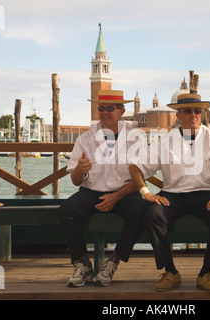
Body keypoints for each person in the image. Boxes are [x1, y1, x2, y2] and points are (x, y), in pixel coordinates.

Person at [129, 93, 210, 292]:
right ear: (178, 115)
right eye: (187, 111)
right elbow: (135, 167)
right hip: (172, 195)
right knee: (152, 216)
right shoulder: (164, 140)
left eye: (197, 111)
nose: (193, 114)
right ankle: (170, 271)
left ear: (201, 114)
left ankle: (206, 272)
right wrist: (146, 193)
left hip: (207, 194)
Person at [59, 90, 148, 287]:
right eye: (101, 108)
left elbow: (141, 179)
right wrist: (80, 171)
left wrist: (115, 197)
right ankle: (83, 264)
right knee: (67, 210)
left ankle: (113, 262)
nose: (104, 112)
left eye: (110, 108)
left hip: (125, 193)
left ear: (122, 111)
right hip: (91, 192)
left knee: (141, 210)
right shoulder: (85, 139)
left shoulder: (136, 139)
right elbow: (75, 180)